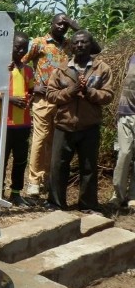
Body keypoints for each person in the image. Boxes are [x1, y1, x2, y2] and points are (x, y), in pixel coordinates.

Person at [45, 30, 113, 213]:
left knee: (89, 168)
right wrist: (71, 91)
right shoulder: (61, 68)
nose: (80, 46)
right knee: (58, 166)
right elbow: (50, 95)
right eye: (76, 43)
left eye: (84, 43)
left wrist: (90, 92)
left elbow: (108, 96)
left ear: (90, 45)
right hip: (64, 125)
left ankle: (88, 205)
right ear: (71, 46)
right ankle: (56, 203)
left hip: (89, 126)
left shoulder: (102, 68)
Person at [22, 14, 79, 198]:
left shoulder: (71, 45)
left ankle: (48, 178)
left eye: (66, 24)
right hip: (43, 98)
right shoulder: (39, 42)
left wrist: (75, 26)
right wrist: (31, 86)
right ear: (51, 24)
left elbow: (95, 49)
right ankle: (33, 181)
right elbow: (18, 61)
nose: (62, 27)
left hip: (63, 99)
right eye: (59, 23)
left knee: (55, 141)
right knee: (41, 138)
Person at [0, 32, 34, 208]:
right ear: (9, 46)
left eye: (24, 48)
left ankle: (16, 193)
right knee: (2, 159)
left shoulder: (28, 69)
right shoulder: (1, 68)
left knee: (20, 160)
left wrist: (30, 98)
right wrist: (10, 99)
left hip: (24, 124)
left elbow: (32, 90)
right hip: (4, 123)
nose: (21, 50)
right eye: (17, 46)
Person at [110, 52, 135, 209]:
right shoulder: (132, 56)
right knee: (124, 153)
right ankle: (117, 195)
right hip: (126, 111)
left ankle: (133, 196)